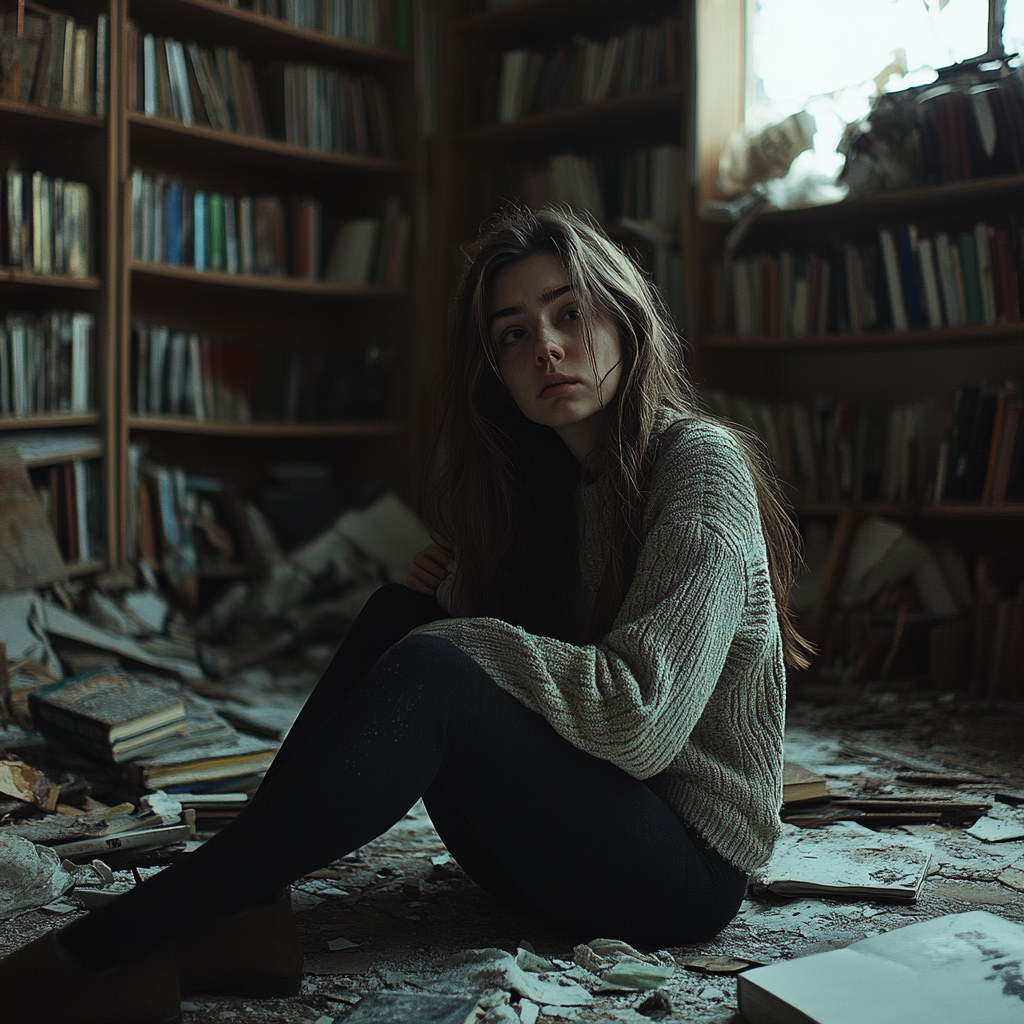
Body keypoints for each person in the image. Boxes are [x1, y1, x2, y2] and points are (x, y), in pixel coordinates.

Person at [0, 206, 810, 1024]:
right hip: (552, 856)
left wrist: (460, 638)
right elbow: (540, 677)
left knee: (433, 659)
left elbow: (637, 717)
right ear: (492, 367)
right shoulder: (546, 489)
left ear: (626, 320)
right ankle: (249, 911)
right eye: (511, 335)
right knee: (400, 616)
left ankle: (115, 945)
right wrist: (461, 604)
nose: (547, 348)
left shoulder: (698, 465)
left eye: (571, 313)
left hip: (679, 874)